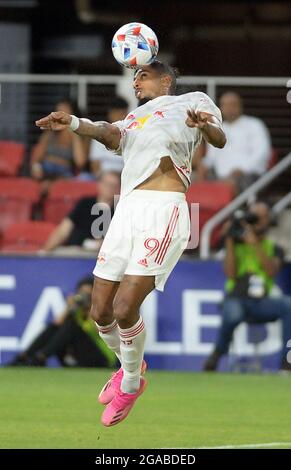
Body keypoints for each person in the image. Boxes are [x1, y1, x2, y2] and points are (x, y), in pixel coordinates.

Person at [36, 60, 226, 427]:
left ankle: (132, 383)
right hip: (126, 212)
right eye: (134, 76)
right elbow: (109, 132)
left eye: (144, 74)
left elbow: (219, 137)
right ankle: (130, 369)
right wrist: (74, 123)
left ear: (166, 79)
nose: (136, 81)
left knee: (125, 309)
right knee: (99, 311)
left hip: (164, 208)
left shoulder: (192, 100)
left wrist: (207, 127)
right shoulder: (135, 118)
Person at [203, 202, 291, 372]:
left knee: (289, 305)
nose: (258, 221)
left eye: (262, 217)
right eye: (254, 217)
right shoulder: (235, 245)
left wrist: (255, 244)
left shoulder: (273, 247)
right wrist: (229, 239)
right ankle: (216, 354)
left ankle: (287, 362)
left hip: (262, 302)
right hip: (236, 298)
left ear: (269, 220)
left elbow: (272, 271)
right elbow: (230, 273)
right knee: (233, 313)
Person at [9, 276, 117, 368]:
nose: (86, 298)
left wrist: (92, 308)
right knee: (57, 327)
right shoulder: (77, 310)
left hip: (103, 359)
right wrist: (69, 307)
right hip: (81, 356)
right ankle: (24, 357)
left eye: (88, 295)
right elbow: (56, 324)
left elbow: (99, 330)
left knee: (71, 326)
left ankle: (41, 357)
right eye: (83, 294)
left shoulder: (102, 310)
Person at [196, 92, 271, 193]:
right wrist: (203, 166)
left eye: (232, 104)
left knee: (231, 185)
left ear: (240, 106)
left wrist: (242, 170)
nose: (229, 108)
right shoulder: (217, 129)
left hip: (248, 176)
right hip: (219, 178)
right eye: (225, 105)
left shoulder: (254, 125)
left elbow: (262, 153)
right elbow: (211, 157)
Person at [42, 171, 120, 253]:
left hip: (105, 255)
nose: (109, 189)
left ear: (119, 189)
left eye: (114, 186)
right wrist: (45, 251)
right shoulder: (85, 203)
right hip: (76, 250)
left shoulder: (120, 209)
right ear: (99, 184)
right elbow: (63, 230)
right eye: (107, 184)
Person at [31, 99, 87, 186]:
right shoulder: (49, 133)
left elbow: (80, 163)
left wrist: (73, 132)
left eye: (64, 112)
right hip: (46, 171)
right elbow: (36, 158)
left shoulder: (77, 136)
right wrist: (36, 167)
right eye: (58, 112)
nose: (60, 116)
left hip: (65, 175)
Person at [88, 97, 128, 178]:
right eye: (119, 113)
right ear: (111, 113)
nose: (122, 117)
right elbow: (95, 164)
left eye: (124, 114)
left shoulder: (130, 134)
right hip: (104, 176)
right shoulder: (100, 133)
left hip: (125, 177)